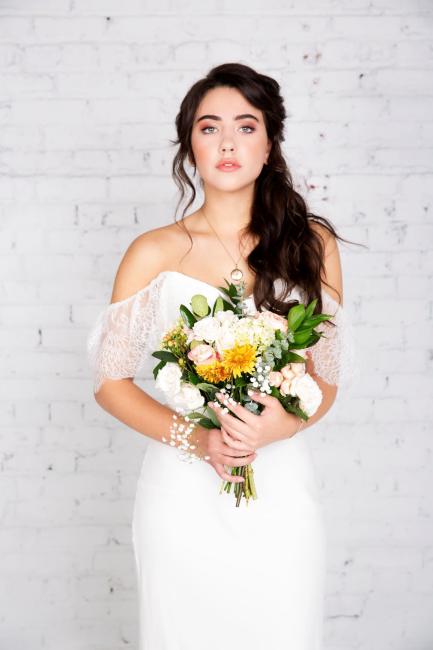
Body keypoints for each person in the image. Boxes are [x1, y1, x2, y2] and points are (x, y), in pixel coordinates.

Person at [87, 62, 358, 650]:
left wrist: (279, 425)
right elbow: (111, 384)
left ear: (270, 144)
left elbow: (326, 376)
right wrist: (200, 439)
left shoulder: (312, 244)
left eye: (246, 126)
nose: (227, 142)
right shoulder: (153, 251)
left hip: (280, 485)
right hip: (181, 493)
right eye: (209, 128)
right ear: (190, 147)